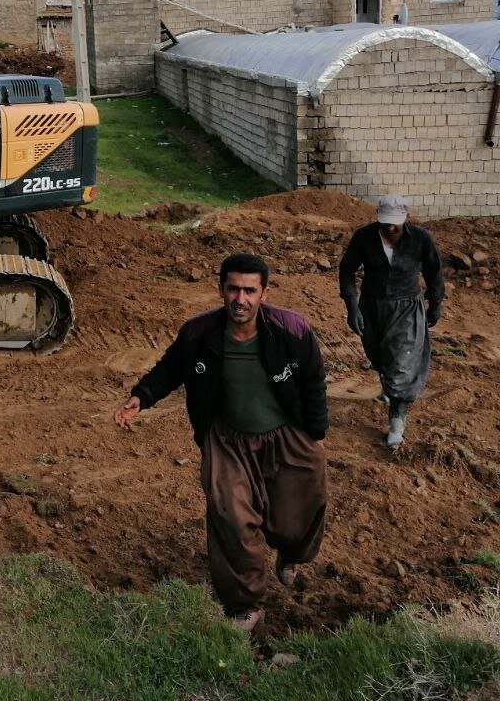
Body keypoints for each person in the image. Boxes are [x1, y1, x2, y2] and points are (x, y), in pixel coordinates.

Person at [112, 253, 328, 634]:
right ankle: (246, 604)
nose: (240, 299)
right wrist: (141, 397)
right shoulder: (199, 333)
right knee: (231, 518)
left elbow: (312, 380)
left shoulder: (291, 329)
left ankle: (290, 554)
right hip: (227, 439)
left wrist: (316, 433)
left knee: (302, 507)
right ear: (221, 290)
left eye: (249, 290)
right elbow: (170, 368)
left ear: (264, 293)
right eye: (233, 289)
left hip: (285, 434)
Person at [338, 195, 444, 450]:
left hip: (406, 306)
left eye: (395, 223)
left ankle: (397, 419)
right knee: (379, 354)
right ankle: (389, 384)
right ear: (378, 216)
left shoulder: (420, 239)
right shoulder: (364, 237)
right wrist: (352, 307)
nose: (390, 228)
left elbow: (434, 272)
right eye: (385, 223)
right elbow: (347, 270)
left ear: (406, 218)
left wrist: (436, 304)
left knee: (402, 362)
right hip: (372, 305)